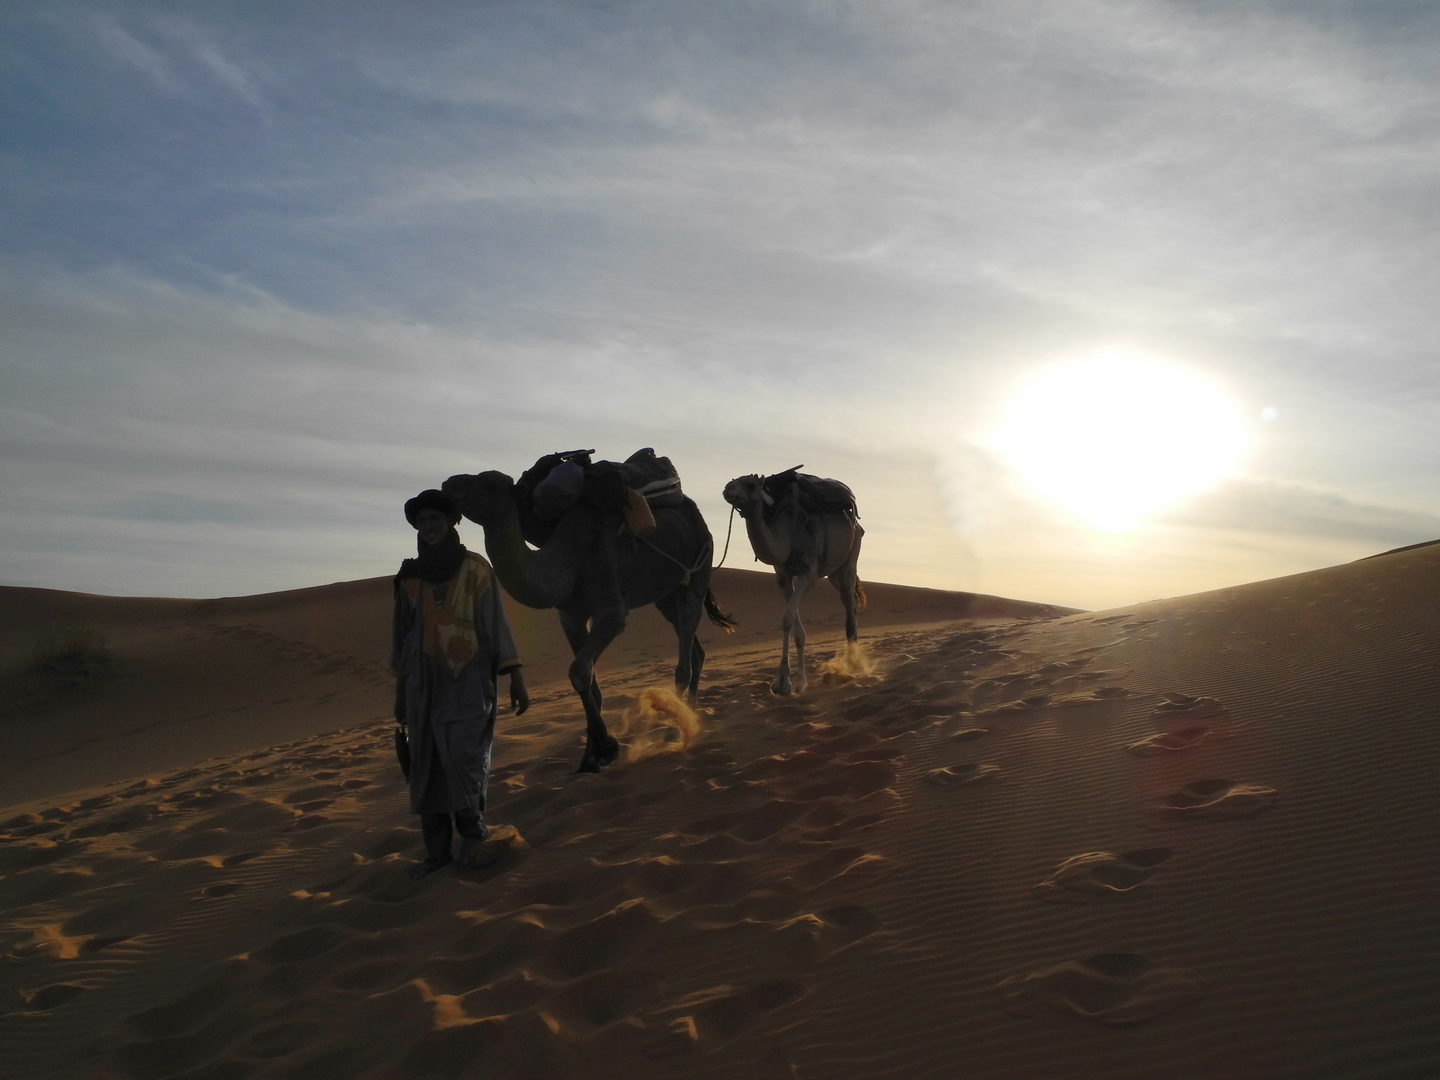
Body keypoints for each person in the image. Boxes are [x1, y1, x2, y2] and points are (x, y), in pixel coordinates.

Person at [390, 489, 529, 880]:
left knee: (465, 758)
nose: (428, 527)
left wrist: (515, 675)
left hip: (468, 681)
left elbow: (494, 622)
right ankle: (436, 853)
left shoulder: (475, 569)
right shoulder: (409, 578)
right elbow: (401, 639)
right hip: (421, 686)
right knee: (426, 765)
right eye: (421, 521)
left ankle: (474, 834)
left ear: (451, 522)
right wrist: (401, 694)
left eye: (435, 519)